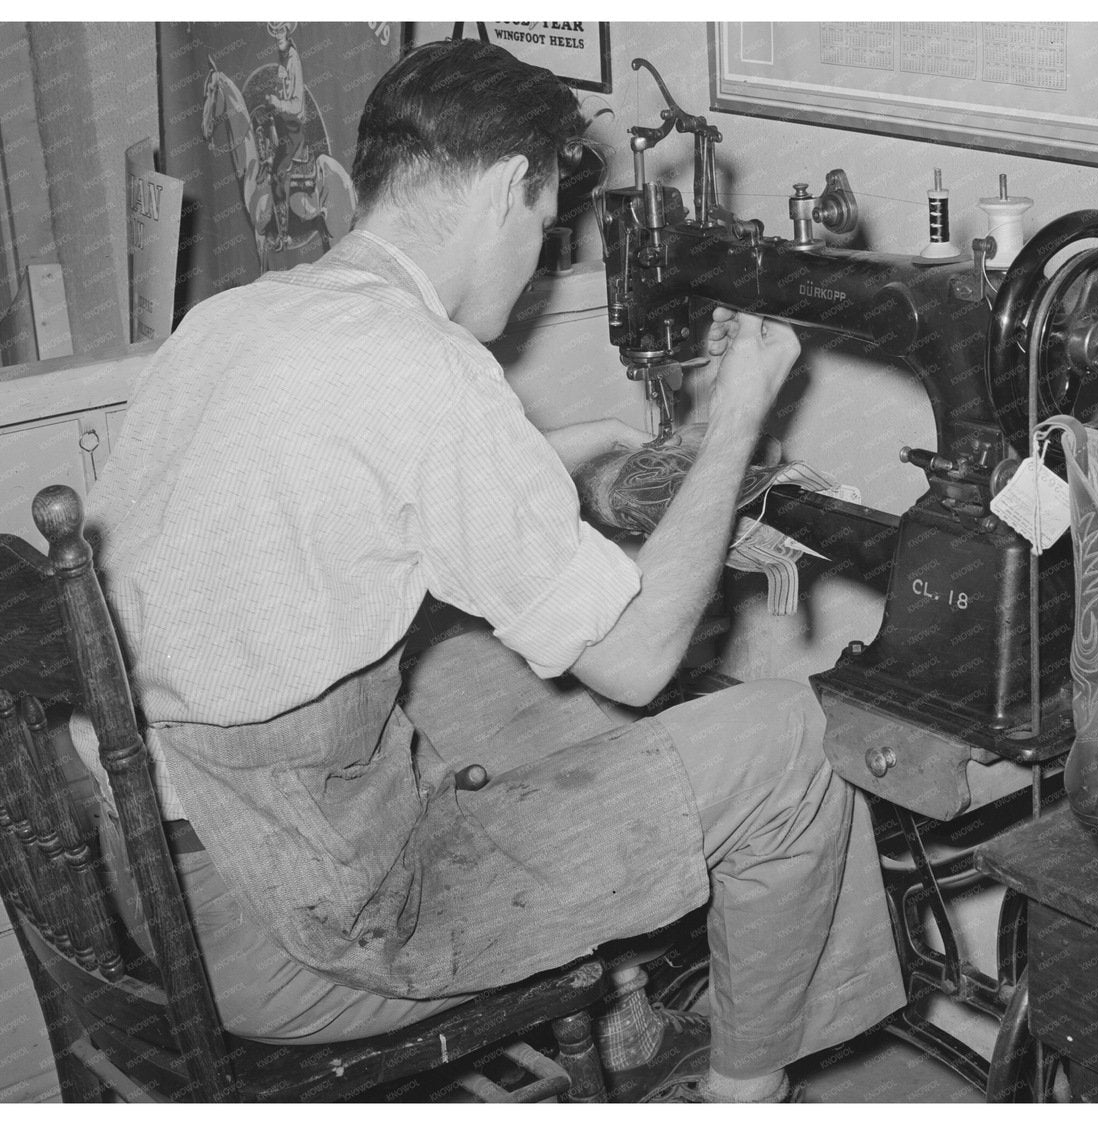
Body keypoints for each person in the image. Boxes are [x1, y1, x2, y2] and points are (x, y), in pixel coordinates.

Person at [76, 38, 905, 1103]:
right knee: (788, 737)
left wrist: (559, 450)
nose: (539, 265)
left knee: (493, 678)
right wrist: (741, 411)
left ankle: (624, 1012)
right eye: (548, 230)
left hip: (162, 876)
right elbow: (642, 660)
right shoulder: (430, 371)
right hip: (306, 932)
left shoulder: (237, 320)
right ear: (513, 185)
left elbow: (363, 483)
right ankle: (746, 1089)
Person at [264, 23, 305, 249]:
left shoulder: (293, 61)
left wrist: (277, 102)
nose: (278, 35)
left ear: (288, 32)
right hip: (281, 122)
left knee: (279, 172)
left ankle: (284, 233)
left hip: (292, 127)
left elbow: (297, 103)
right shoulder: (283, 58)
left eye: (281, 30)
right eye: (275, 31)